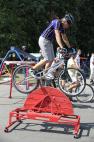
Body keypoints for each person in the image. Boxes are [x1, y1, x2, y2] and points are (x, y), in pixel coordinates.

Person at [32, 13, 74, 79]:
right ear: (65, 21)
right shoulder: (56, 22)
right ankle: (33, 69)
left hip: (49, 42)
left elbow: (64, 37)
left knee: (51, 59)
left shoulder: (61, 27)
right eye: (69, 23)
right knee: (47, 59)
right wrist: (62, 47)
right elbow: (57, 35)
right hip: (44, 40)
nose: (69, 26)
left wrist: (70, 47)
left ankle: (45, 74)